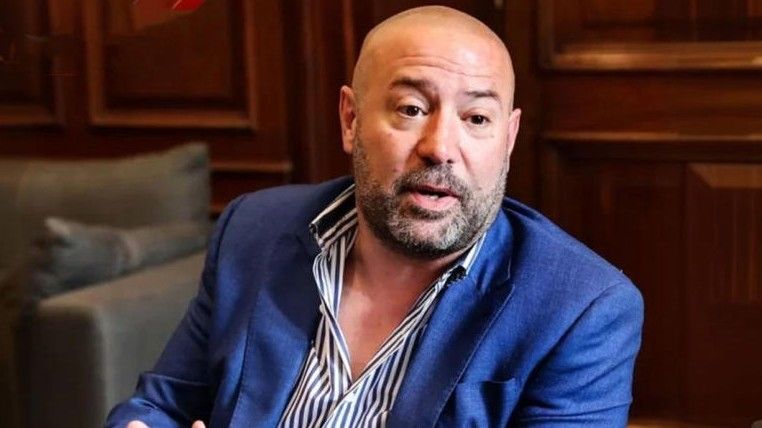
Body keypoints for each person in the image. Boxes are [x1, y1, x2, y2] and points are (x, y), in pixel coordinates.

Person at [107, 5, 643, 427]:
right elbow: (162, 405)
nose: (440, 148)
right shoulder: (254, 230)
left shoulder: (581, 307)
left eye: (477, 118)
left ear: (508, 138)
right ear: (350, 119)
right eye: (411, 109)